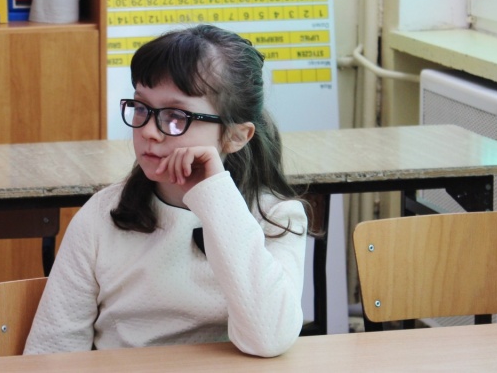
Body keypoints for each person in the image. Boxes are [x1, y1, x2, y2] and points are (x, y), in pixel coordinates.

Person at [23, 24, 309, 358]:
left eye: (175, 117)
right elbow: (52, 351)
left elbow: (270, 339)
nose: (148, 131)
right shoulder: (101, 216)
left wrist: (215, 196)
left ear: (235, 136)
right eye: (141, 108)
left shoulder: (275, 216)